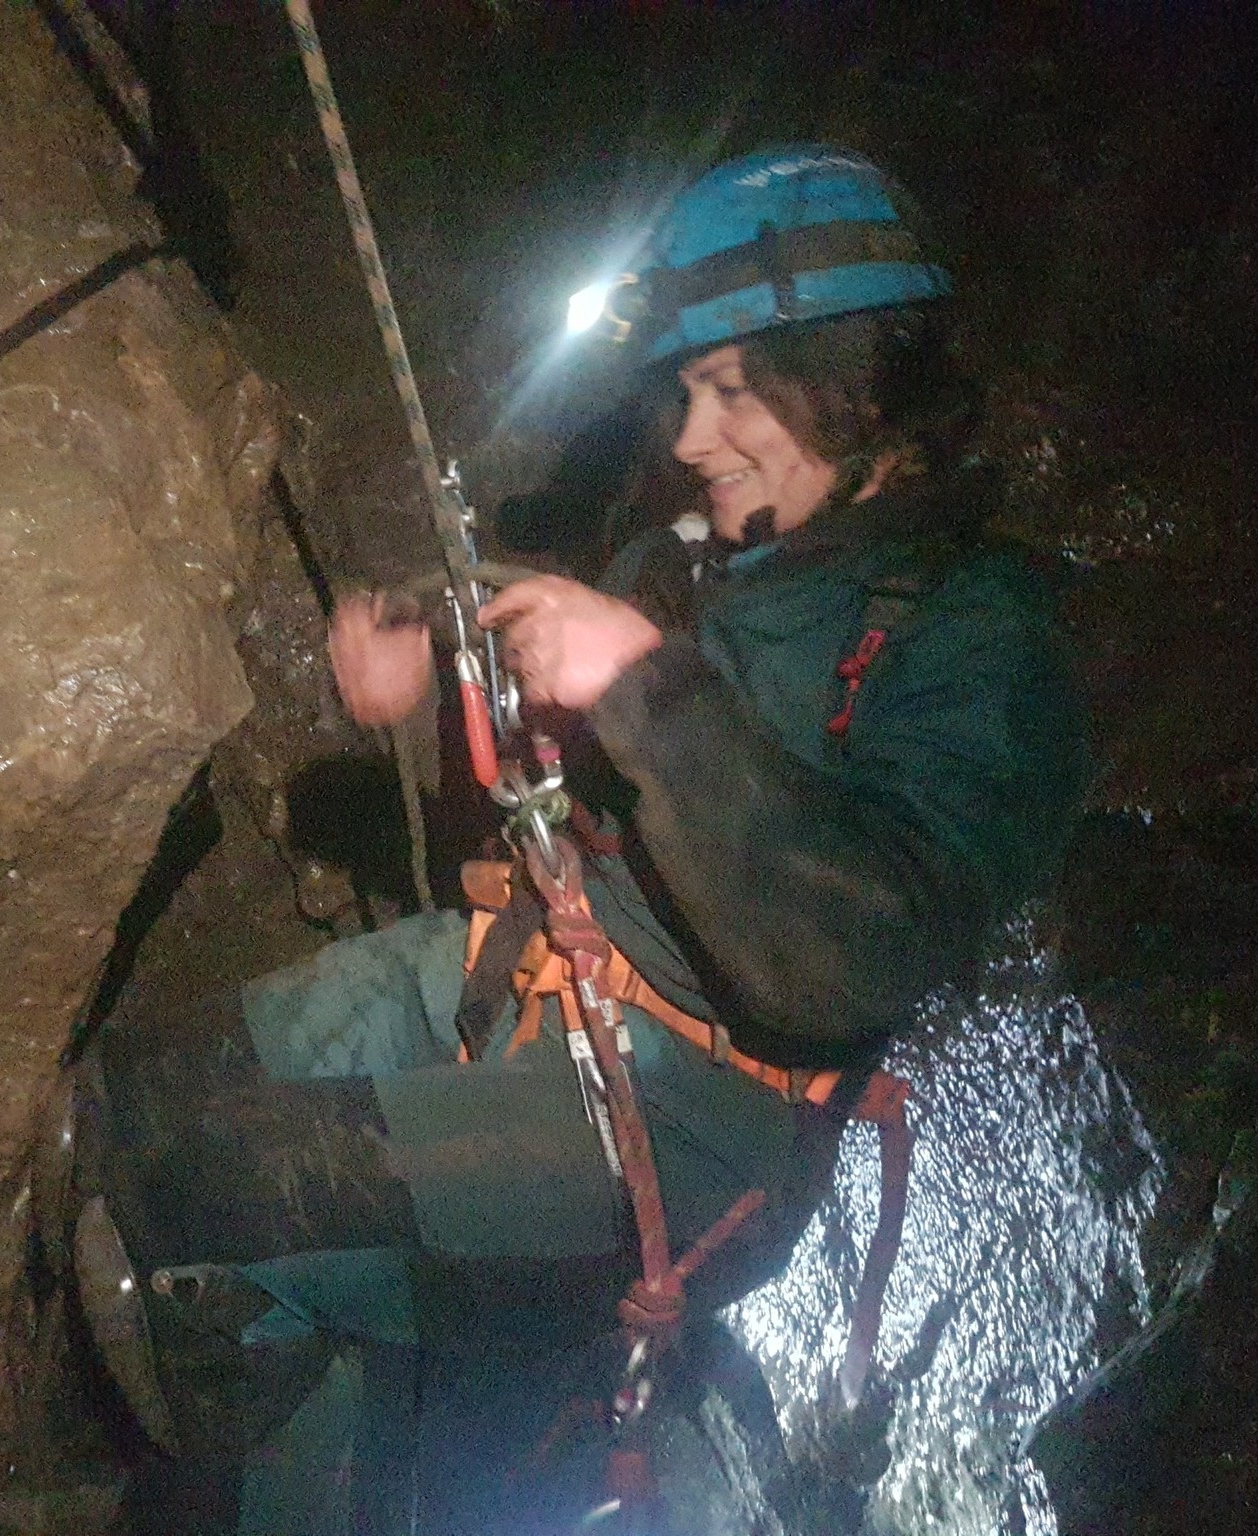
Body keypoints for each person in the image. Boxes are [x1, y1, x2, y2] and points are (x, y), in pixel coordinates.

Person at [58, 146, 1088, 1534]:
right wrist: (425, 691)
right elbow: (550, 767)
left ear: (851, 381)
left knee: (206, 1222)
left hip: (697, 1118)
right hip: (530, 967)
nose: (692, 436)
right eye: (688, 391)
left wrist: (645, 684)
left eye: (733, 390)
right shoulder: (704, 558)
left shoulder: (986, 639)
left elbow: (857, 954)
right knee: (131, 1100)